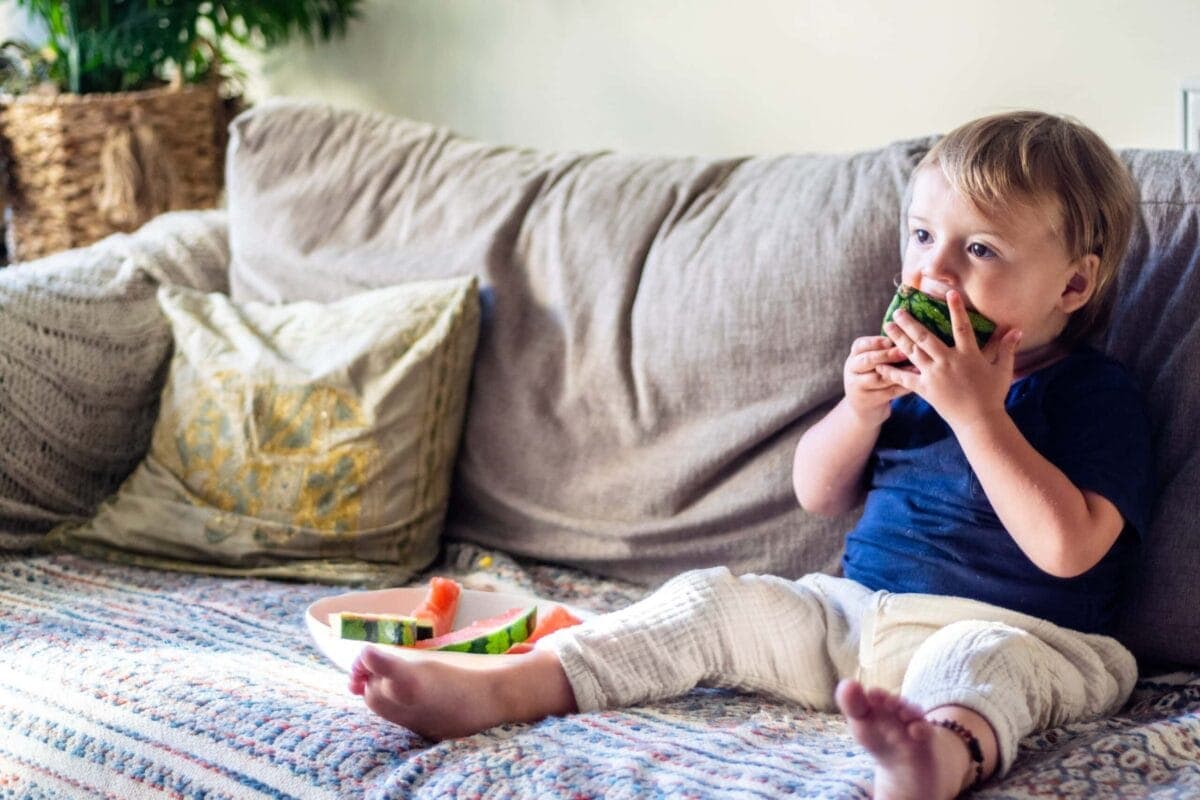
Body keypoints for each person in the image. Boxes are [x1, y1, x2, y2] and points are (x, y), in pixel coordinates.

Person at [347, 111, 1154, 800]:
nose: (930, 269)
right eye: (920, 235)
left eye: (979, 250)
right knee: (713, 601)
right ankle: (509, 684)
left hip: (1034, 638)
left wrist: (977, 415)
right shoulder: (906, 379)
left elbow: (1068, 547)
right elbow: (819, 493)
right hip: (857, 617)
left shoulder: (1096, 393)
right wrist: (861, 409)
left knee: (972, 659)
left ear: (1073, 287)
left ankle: (931, 758)